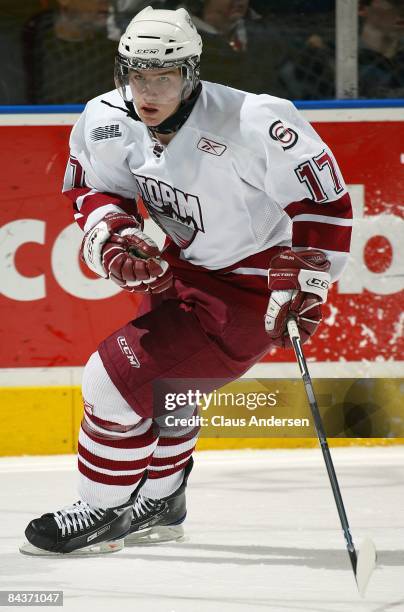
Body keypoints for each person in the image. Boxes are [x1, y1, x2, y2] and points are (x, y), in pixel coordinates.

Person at [20, 5, 352, 556]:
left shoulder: (256, 120)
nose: (148, 91)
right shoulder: (106, 117)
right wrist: (115, 233)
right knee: (169, 393)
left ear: (191, 72)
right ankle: (163, 500)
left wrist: (307, 276)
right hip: (184, 269)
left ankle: (102, 510)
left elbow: (324, 198)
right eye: (136, 75)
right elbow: (94, 190)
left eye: (165, 77)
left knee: (110, 381)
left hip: (252, 290)